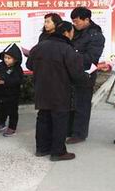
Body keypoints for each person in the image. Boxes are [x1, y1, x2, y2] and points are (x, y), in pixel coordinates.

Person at [27, 22, 89, 161]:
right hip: (60, 90)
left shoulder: (39, 46)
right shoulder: (67, 49)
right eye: (72, 32)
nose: (72, 35)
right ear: (66, 33)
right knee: (60, 120)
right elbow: (76, 73)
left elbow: (29, 65)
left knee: (43, 117)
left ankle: (42, 149)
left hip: (41, 89)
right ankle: (58, 152)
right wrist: (86, 77)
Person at [68, 6, 105, 144]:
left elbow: (91, 57)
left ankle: (79, 134)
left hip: (85, 74)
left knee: (82, 105)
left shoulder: (96, 36)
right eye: (73, 21)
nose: (74, 24)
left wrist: (70, 56)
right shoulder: (74, 31)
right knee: (70, 103)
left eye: (77, 21)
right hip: (71, 73)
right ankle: (69, 130)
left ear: (87, 19)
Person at [0, 43, 24, 137]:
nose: (6, 59)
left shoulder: (17, 69)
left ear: (15, 59)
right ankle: (1, 123)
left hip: (12, 95)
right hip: (0, 93)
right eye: (5, 57)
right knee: (2, 109)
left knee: (12, 111)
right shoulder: (1, 65)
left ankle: (12, 127)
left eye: (9, 58)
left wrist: (0, 77)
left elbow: (16, 80)